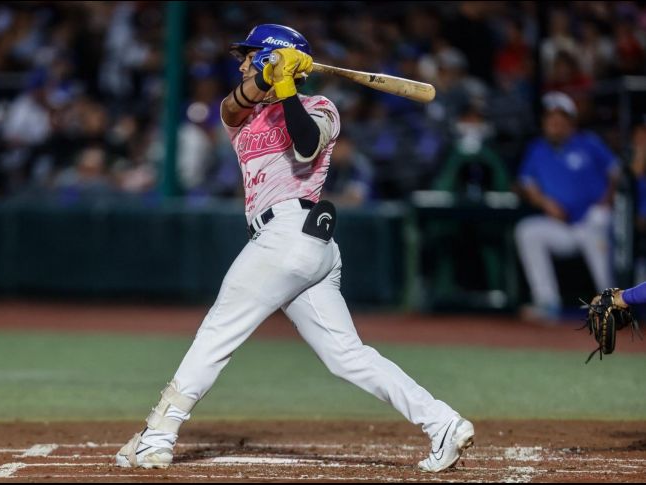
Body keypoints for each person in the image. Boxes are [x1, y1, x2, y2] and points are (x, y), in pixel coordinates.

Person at [115, 24, 474, 474]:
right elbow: (232, 104)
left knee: (218, 333)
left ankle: (157, 436)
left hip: (293, 233)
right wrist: (271, 75)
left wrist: (285, 85)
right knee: (346, 356)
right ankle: (442, 422)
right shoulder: (242, 115)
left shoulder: (321, 107)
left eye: (251, 57)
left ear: (273, 56)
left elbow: (305, 147)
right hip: (291, 243)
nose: (241, 65)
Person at [515, 91, 618, 320]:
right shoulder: (537, 148)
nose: (554, 123)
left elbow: (616, 173)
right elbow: (526, 183)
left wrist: (606, 200)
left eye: (559, 118)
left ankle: (611, 303)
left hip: (592, 220)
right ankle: (547, 302)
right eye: (550, 118)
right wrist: (544, 202)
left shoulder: (588, 142)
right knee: (528, 231)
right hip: (563, 226)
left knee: (598, 221)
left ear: (570, 121)